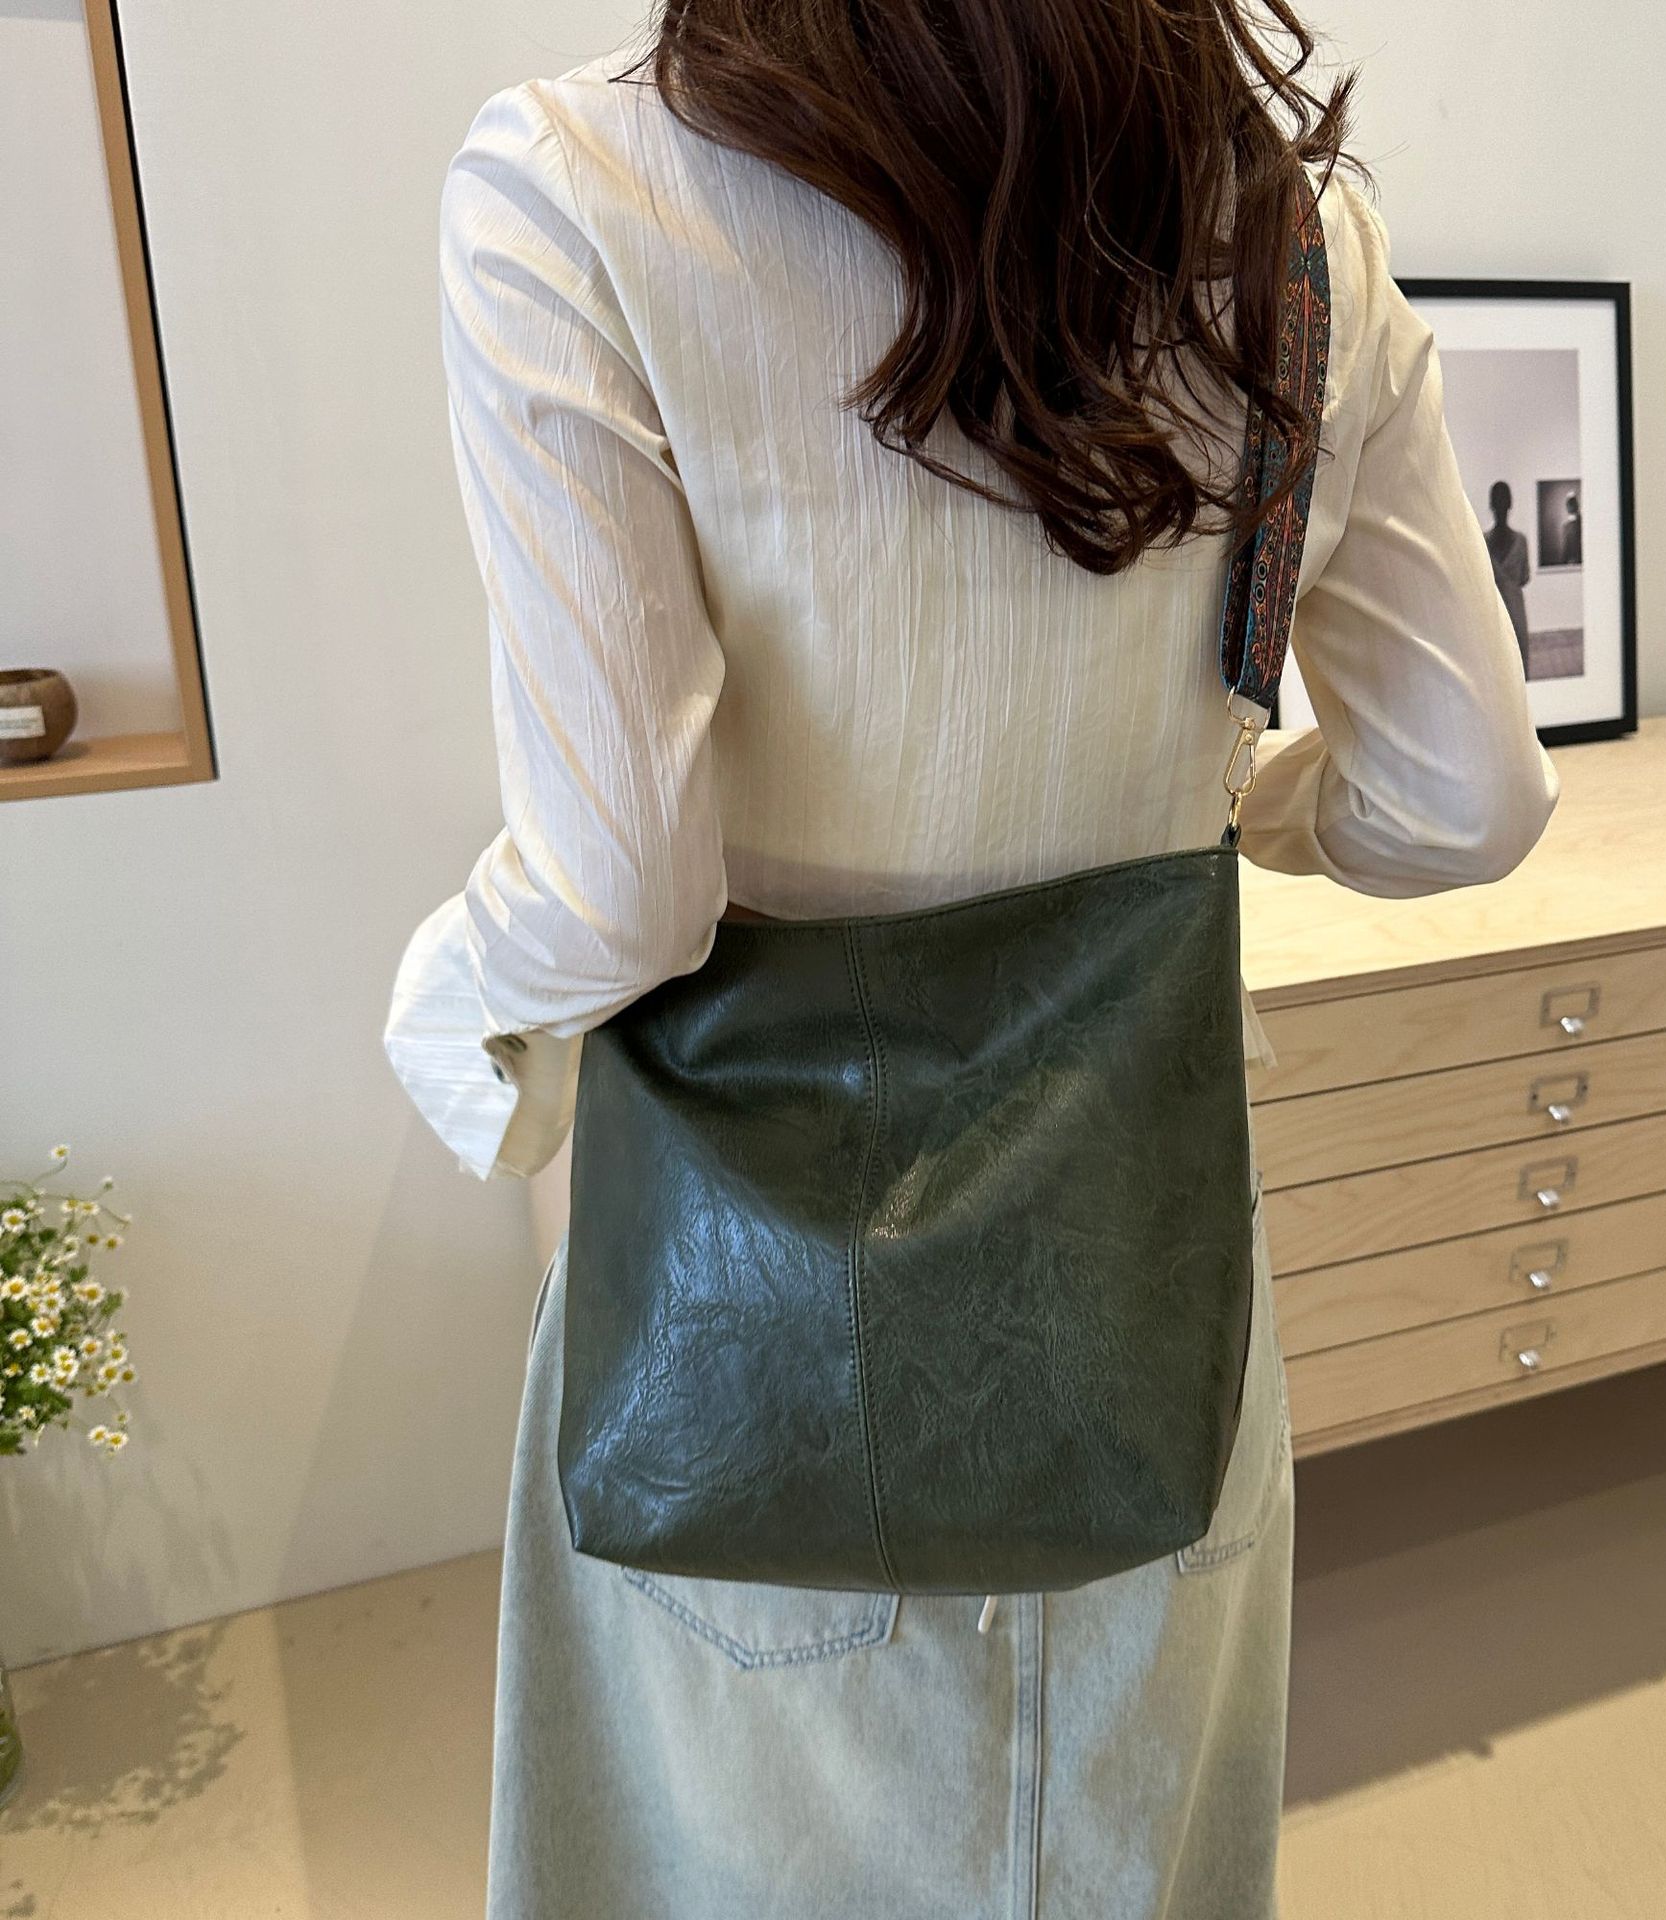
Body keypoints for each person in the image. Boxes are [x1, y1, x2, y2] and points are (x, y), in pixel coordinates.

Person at [384, 4, 1557, 1914]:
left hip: (753, 1284)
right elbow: (1465, 798)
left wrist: (445, 1015)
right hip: (1140, 1267)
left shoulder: (572, 187)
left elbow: (618, 889)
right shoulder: (1295, 242)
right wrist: (1227, 809)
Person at [1484, 479, 1532, 671]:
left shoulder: (1483, 542)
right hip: (1511, 612)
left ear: (1491, 505)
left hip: (1497, 613)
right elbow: (1524, 577)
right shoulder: (1520, 541)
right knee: (1516, 669)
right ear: (1511, 503)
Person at [1561, 488, 1585, 567]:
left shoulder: (1583, 523)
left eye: (1573, 503)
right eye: (1569, 504)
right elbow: (1566, 548)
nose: (1570, 506)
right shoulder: (1566, 527)